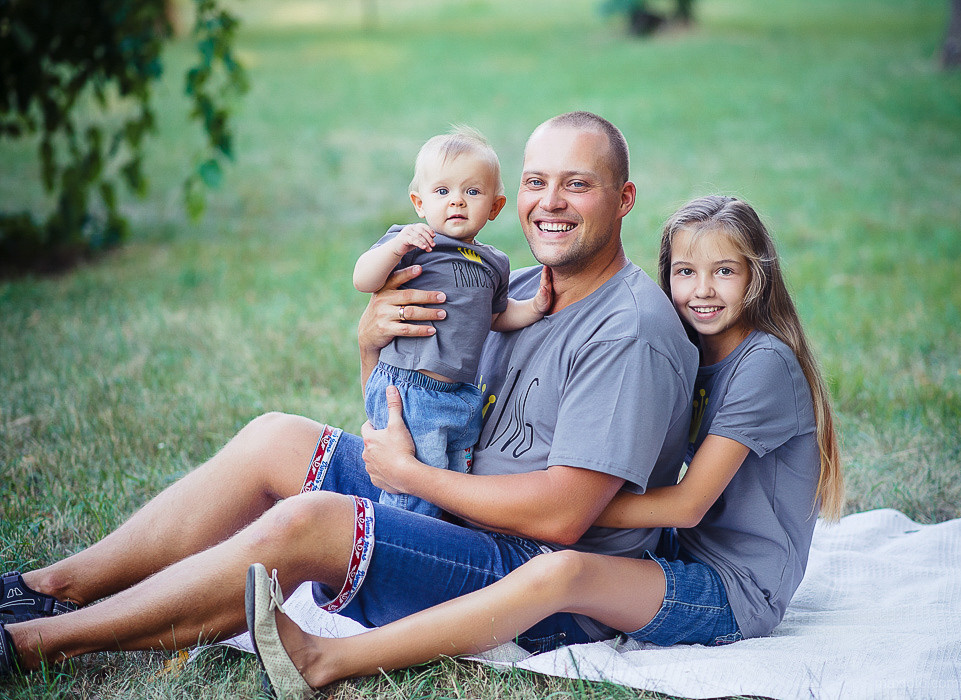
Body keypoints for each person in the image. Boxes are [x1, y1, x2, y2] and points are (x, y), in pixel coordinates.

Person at [0, 111, 698, 680]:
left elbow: (562, 518)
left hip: (531, 582)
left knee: (312, 521)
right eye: (535, 181)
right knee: (274, 436)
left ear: (623, 199)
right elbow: (405, 412)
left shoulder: (628, 332)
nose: (549, 202)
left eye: (577, 185)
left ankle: (35, 644)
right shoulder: (505, 288)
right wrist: (371, 345)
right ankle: (47, 588)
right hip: (451, 508)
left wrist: (411, 479)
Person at [244, 195, 845, 698]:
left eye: (725, 272)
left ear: (758, 275)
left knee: (564, 572)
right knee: (551, 557)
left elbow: (687, 506)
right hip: (674, 552)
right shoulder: (692, 348)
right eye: (685, 272)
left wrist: (561, 502)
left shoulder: (763, 364)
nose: (701, 290)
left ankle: (327, 659)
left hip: (732, 589)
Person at [353, 126, 550, 517]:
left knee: (453, 485)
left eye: (472, 192)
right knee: (413, 494)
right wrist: (395, 248)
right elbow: (364, 279)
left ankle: (441, 539)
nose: (457, 201)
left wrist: (535, 306)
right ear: (419, 202)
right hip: (410, 387)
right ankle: (395, 536)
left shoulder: (495, 262)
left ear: (495, 207)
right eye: (442, 191)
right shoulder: (415, 242)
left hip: (460, 394)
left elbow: (496, 316)